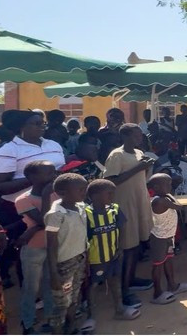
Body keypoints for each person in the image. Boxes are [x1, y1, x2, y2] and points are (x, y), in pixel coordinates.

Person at [0, 110, 66, 288]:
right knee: (29, 252)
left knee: (56, 247)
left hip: (56, 203)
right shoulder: (9, 150)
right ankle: (30, 295)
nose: (42, 126)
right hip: (21, 209)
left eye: (42, 122)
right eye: (36, 123)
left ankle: (54, 290)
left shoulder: (53, 145)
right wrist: (36, 179)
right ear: (22, 127)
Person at [103, 124, 156, 308]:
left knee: (137, 245)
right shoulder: (117, 155)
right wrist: (137, 168)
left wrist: (146, 166)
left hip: (140, 202)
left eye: (140, 135)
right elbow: (109, 181)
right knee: (127, 248)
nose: (139, 138)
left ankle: (131, 279)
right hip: (125, 206)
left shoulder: (139, 153)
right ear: (125, 136)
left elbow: (142, 176)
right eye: (136, 135)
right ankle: (123, 291)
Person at [84, 179, 140, 325]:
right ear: (94, 195)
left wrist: (120, 247)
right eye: (108, 193)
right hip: (96, 258)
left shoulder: (114, 209)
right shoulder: (86, 214)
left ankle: (119, 308)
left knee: (115, 281)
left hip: (114, 255)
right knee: (93, 286)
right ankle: (90, 315)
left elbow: (121, 228)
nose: (112, 196)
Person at [15, 161, 57, 334]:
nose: (53, 176)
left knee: (50, 284)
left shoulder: (56, 194)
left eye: (54, 172)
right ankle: (27, 323)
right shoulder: (23, 200)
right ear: (32, 177)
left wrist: (32, 230)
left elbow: (58, 219)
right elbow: (45, 220)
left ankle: (50, 319)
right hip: (34, 249)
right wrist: (46, 197)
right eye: (48, 173)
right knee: (31, 288)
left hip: (52, 247)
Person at [44, 173, 88, 335]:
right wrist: (54, 273)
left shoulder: (80, 206)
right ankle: (58, 331)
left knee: (74, 298)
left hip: (79, 259)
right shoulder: (56, 214)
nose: (84, 192)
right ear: (63, 192)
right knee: (62, 303)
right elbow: (51, 244)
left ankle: (71, 329)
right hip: (64, 265)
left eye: (85, 188)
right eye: (80, 190)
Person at [148, 173, 187, 305]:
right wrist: (171, 193)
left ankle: (172, 285)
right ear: (156, 187)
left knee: (168, 260)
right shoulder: (159, 200)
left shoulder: (164, 197)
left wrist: (169, 192)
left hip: (167, 236)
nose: (170, 186)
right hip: (159, 237)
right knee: (158, 265)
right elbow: (179, 206)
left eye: (170, 184)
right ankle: (157, 293)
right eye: (167, 184)